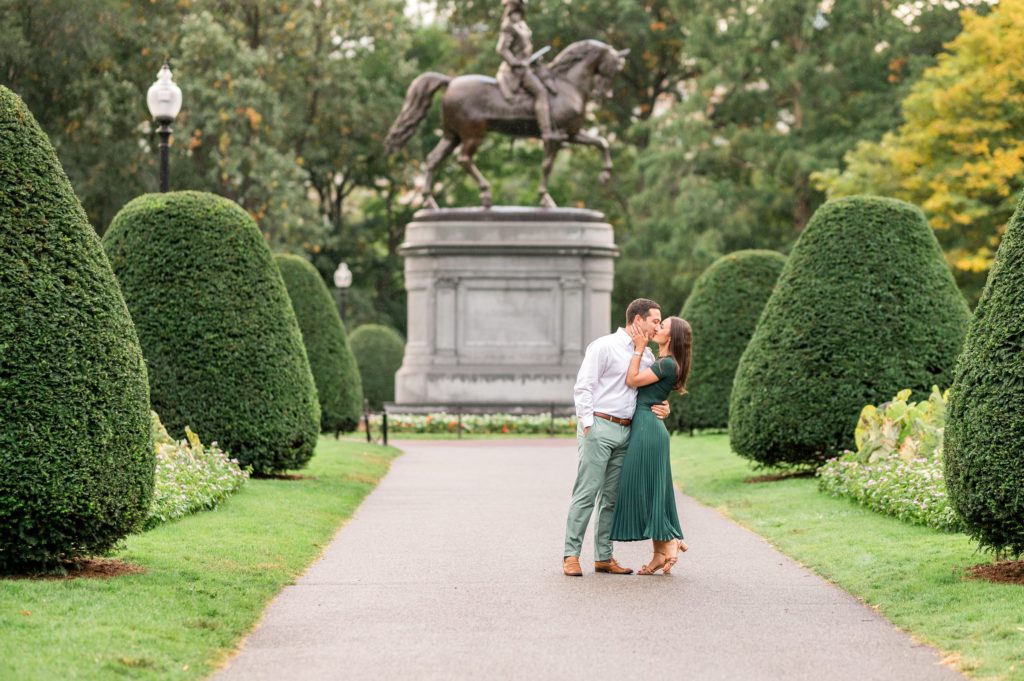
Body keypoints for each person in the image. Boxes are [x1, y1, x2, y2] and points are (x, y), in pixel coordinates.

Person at [563, 298, 670, 577]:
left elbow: (647, 394)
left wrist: (665, 407)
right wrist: (588, 424)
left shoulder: (645, 356)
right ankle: (570, 555)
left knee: (611, 498)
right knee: (586, 493)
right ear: (638, 320)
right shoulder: (603, 346)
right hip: (599, 426)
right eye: (655, 321)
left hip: (627, 431)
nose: (658, 326)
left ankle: (603, 557)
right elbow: (583, 386)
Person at [609, 316, 693, 575]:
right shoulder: (664, 362)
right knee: (651, 487)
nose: (657, 328)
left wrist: (637, 348)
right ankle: (659, 554)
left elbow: (631, 380)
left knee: (644, 488)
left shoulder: (667, 363)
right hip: (647, 426)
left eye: (662, 326)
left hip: (647, 429)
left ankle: (668, 540)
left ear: (670, 337)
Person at [495, 0, 567, 142]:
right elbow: (502, 49)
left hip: (528, 65)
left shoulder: (520, 23)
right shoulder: (508, 25)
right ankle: (547, 133)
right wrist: (516, 63)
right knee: (541, 92)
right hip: (517, 71)